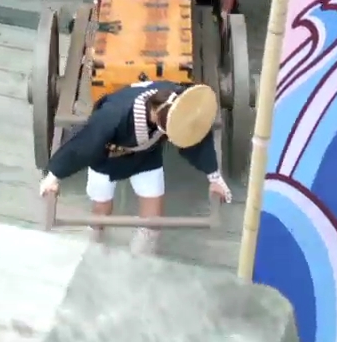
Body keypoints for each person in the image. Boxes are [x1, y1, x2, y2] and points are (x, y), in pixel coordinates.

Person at [37, 82, 233, 255]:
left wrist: (214, 177)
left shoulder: (179, 100)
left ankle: (140, 258)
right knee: (101, 212)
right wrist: (53, 176)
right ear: (154, 112)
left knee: (153, 221)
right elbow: (85, 145)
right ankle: (94, 246)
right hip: (107, 155)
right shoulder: (113, 115)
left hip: (146, 153)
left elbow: (194, 133)